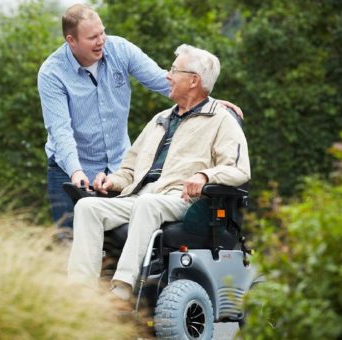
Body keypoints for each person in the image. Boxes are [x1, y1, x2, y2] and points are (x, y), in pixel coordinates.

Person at [67, 44, 251, 300]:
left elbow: (238, 169)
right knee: (87, 207)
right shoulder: (160, 119)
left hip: (182, 199)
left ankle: (121, 289)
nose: (168, 75)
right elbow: (129, 169)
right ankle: (78, 295)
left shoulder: (221, 120)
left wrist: (206, 176)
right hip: (140, 196)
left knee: (147, 203)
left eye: (175, 70)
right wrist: (111, 182)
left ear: (193, 81)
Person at [37, 4, 244, 230]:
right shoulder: (52, 73)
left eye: (102, 32)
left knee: (116, 242)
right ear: (72, 41)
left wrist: (207, 101)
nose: (101, 40)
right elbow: (60, 131)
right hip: (70, 171)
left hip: (117, 170)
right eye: (92, 37)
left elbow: (163, 81)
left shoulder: (120, 50)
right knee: (70, 239)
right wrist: (76, 172)